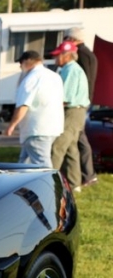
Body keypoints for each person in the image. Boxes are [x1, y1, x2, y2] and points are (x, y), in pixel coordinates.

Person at [5, 50, 65, 167]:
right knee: (24, 162)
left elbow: (23, 105)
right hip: (53, 127)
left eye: (21, 63)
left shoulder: (31, 78)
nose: (20, 66)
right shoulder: (55, 76)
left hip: (36, 129)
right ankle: (20, 178)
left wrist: (12, 125)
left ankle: (50, 180)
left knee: (42, 164)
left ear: (28, 61)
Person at [50, 40, 90, 191]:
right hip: (77, 111)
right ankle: (74, 183)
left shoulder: (70, 70)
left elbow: (65, 96)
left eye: (58, 55)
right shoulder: (73, 69)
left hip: (72, 111)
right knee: (71, 148)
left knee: (58, 146)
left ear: (66, 55)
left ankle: (50, 181)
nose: (55, 58)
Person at [68, 27, 99, 186]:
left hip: (80, 103)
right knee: (79, 137)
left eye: (67, 38)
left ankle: (88, 174)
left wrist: (80, 99)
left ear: (73, 39)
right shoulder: (88, 53)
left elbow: (84, 81)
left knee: (79, 137)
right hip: (84, 101)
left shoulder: (82, 54)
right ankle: (86, 173)